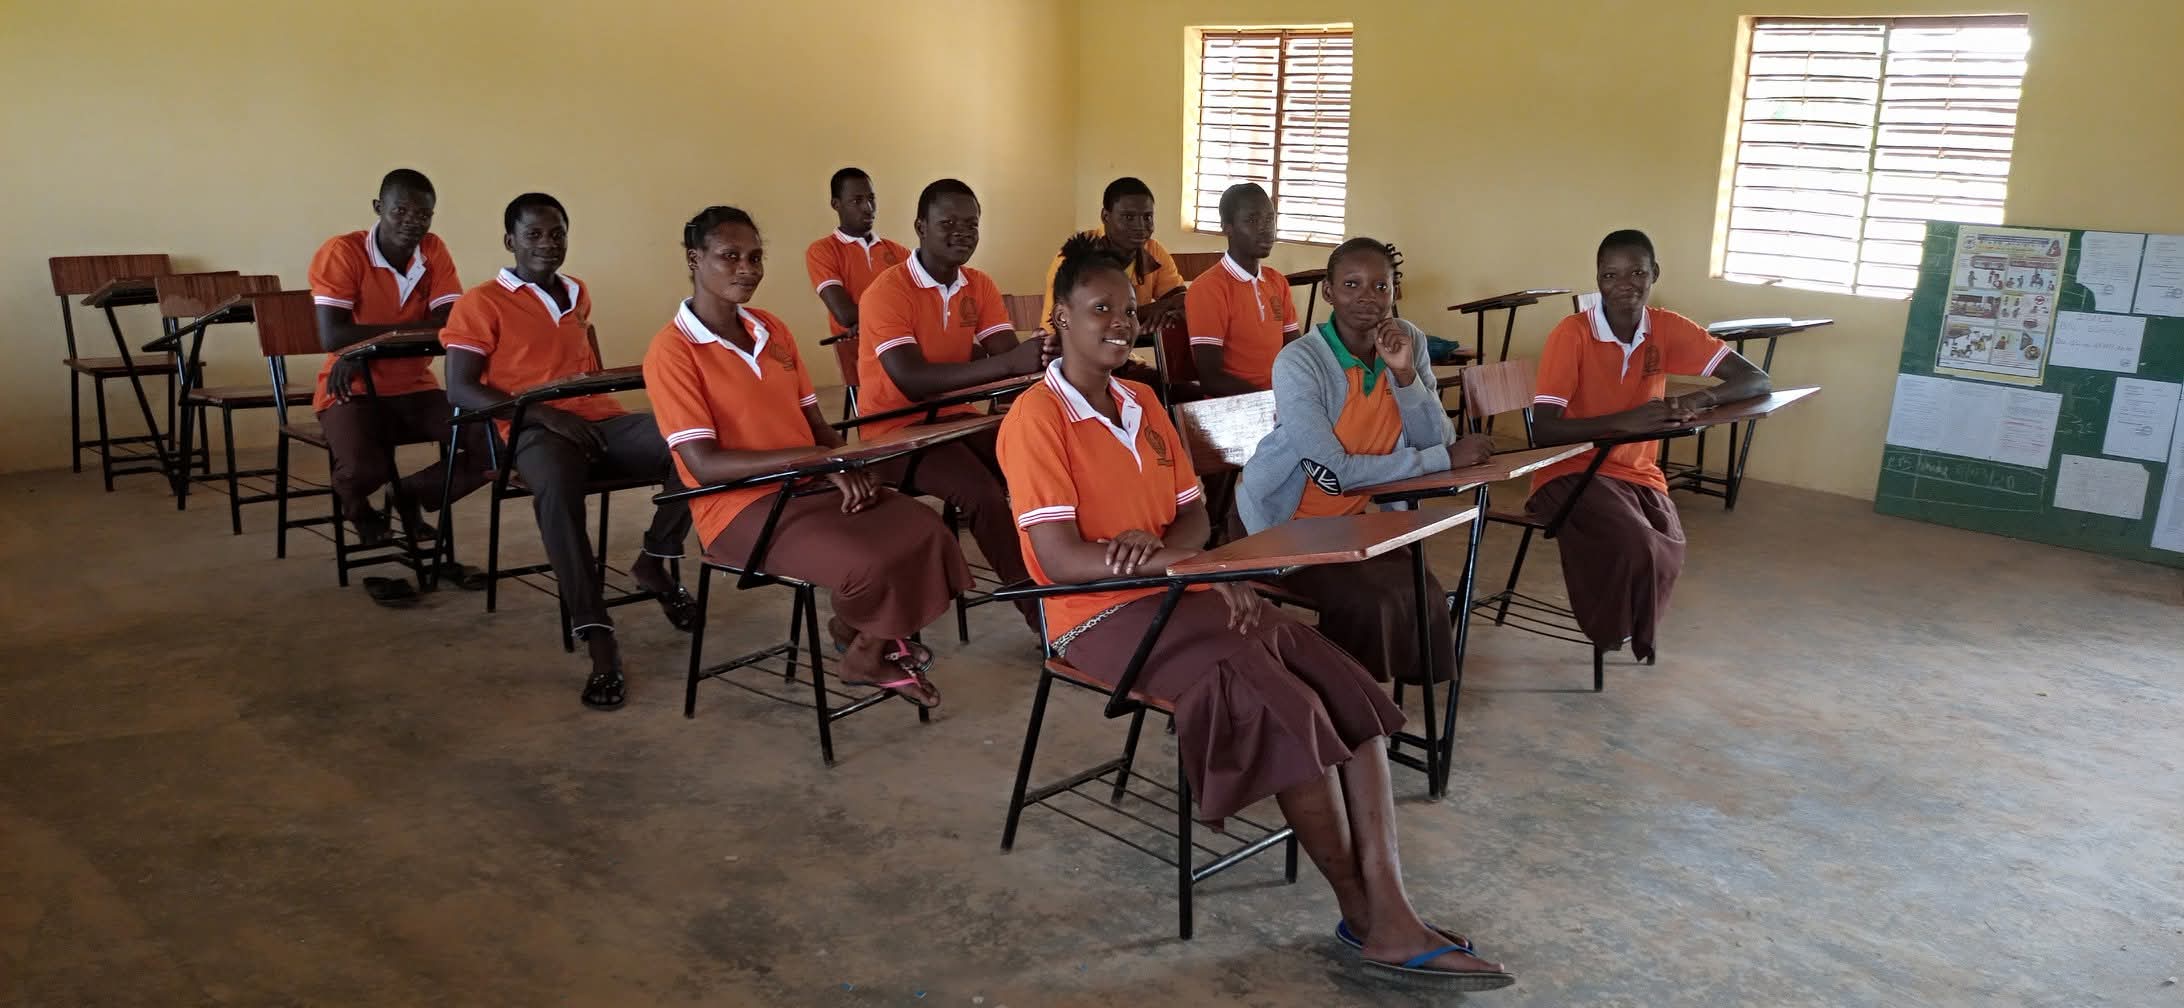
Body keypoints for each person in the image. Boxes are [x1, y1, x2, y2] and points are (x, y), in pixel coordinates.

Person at [995, 234, 1514, 990]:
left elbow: (1193, 517)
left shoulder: (1142, 401)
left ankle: (1393, 908)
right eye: (1100, 308)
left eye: (1130, 309)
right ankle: (1363, 915)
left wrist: (1187, 562)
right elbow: (1063, 559)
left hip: (1179, 590)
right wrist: (1180, 566)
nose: (1120, 322)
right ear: (1061, 318)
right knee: (1283, 706)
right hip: (1096, 617)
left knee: (1346, 689)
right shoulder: (1035, 418)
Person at [648, 206, 968, 708]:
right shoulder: (673, 351)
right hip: (737, 508)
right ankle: (866, 641)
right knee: (869, 561)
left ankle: (863, 641)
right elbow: (704, 464)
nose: (747, 269)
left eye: (755, 257)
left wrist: (847, 463)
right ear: (695, 259)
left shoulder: (771, 329)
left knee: (925, 529)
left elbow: (817, 425)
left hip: (807, 484)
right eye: (730, 256)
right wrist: (814, 462)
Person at [440, 192, 695, 711]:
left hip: (599, 419)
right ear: (509, 240)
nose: (547, 243)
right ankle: (596, 632)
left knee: (690, 444)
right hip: (531, 430)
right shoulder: (481, 302)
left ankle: (653, 561)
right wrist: (543, 413)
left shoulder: (576, 291)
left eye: (557, 233)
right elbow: (461, 387)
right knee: (557, 490)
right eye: (533, 234)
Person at [1237, 238, 1493, 686]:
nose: (1367, 297)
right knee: (1368, 600)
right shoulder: (1300, 361)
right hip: (1282, 525)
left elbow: (1436, 439)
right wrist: (1440, 458)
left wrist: (1405, 375)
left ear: (1395, 291)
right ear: (1329, 292)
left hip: (1351, 520)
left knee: (1423, 590)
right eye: (1351, 284)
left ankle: (1373, 702)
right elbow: (1333, 473)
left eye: (1381, 285)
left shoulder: (1409, 340)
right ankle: (1348, 703)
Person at [1528, 229, 1770, 661]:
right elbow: (1542, 430)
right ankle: (1611, 630)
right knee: (1635, 543)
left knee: (1670, 543)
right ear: (1598, 279)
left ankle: (1631, 630)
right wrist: (1625, 423)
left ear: (1654, 273)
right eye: (1611, 275)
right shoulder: (1572, 334)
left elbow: (1755, 379)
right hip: (1570, 469)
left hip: (1636, 471)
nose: (1625, 285)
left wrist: (1698, 400)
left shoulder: (1666, 327)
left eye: (1637, 273)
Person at [855, 177, 1043, 629]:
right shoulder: (887, 291)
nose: (962, 232)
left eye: (972, 224)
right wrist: (1010, 363)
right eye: (948, 223)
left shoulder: (978, 284)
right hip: (895, 432)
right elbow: (913, 381)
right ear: (920, 227)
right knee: (981, 493)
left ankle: (1075, 585)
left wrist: (1045, 352)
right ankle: (1042, 615)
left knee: (1039, 465)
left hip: (959, 419)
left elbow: (1006, 355)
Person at [308, 168, 492, 573]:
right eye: (400, 211)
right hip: (351, 386)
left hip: (415, 386)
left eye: (423, 214)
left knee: (497, 440)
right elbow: (332, 335)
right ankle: (355, 505)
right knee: (364, 469)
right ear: (378, 207)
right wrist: (359, 349)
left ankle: (408, 494)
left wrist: (364, 346)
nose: (413, 221)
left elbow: (451, 324)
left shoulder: (433, 250)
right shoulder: (344, 251)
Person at [1185, 182, 1299, 398]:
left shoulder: (1277, 282)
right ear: (1227, 227)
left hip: (1279, 401)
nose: (1266, 229)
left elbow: (1295, 353)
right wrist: (1270, 401)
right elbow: (1211, 379)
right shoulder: (1209, 288)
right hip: (1235, 407)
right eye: (1252, 220)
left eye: (1270, 219)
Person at [1038, 176, 1187, 335]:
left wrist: (1167, 315)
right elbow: (1071, 323)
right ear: (1105, 217)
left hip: (1131, 343)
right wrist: (1153, 310)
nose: (1140, 226)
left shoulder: (1153, 251)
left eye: (1147, 217)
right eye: (1129, 217)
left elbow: (1182, 301)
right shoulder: (1077, 254)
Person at [804, 167, 909, 372]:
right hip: (858, 353)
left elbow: (920, 306)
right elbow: (844, 314)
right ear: (836, 204)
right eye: (857, 201)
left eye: (871, 198)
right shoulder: (823, 251)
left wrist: (866, 320)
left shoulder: (899, 252)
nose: (868, 208)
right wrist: (896, 317)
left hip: (903, 348)